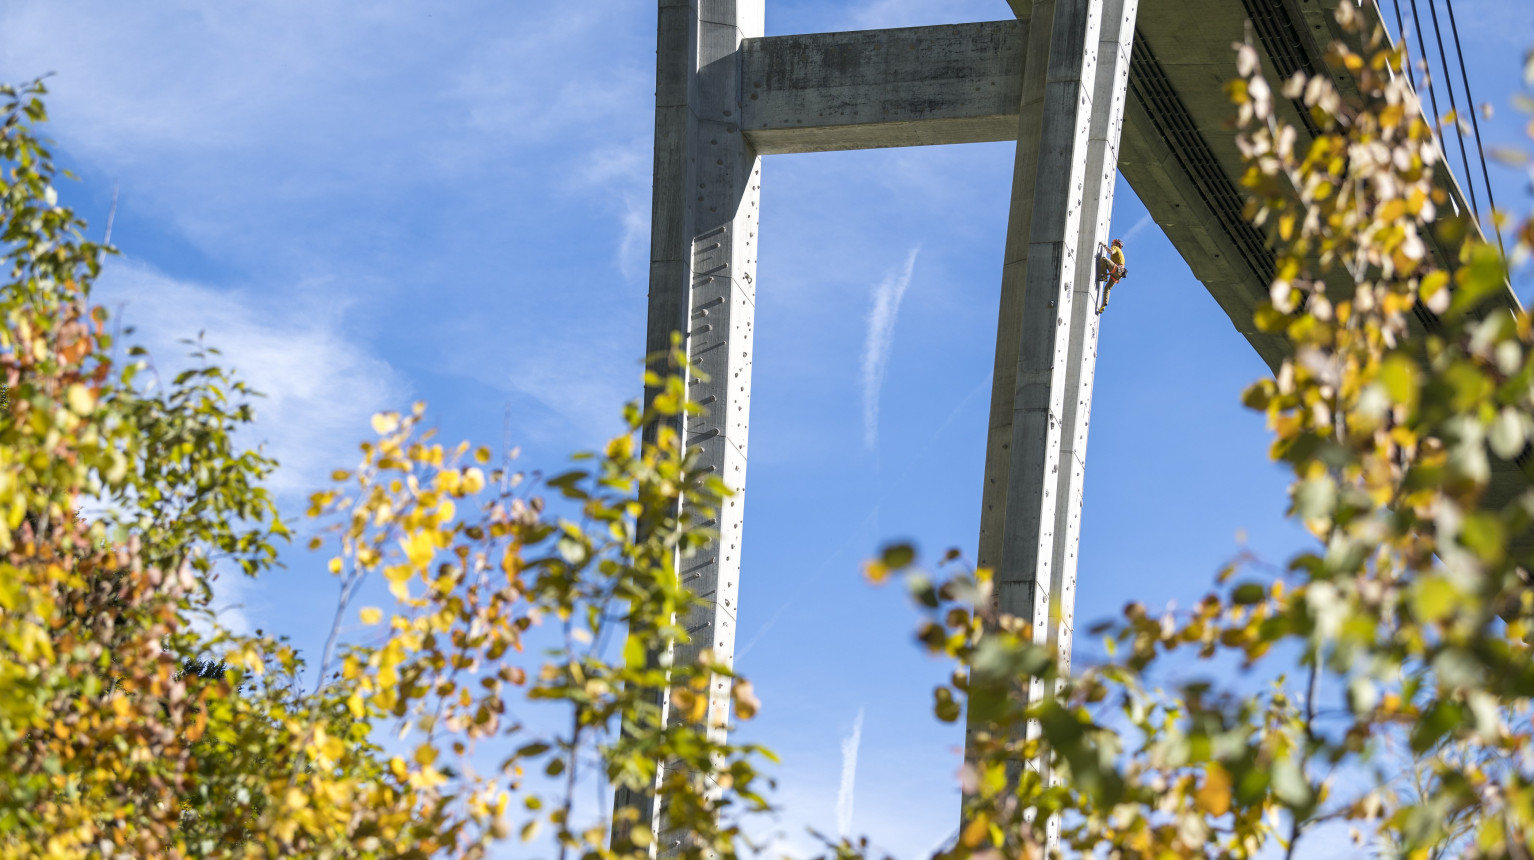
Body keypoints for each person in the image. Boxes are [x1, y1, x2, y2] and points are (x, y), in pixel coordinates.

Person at [1097, 238, 1127, 315]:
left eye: (1113, 243)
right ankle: (1104, 304)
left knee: (1103, 259)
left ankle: (1104, 277)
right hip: (1118, 274)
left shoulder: (1116, 248)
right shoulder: (1121, 255)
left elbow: (1110, 252)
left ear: (1117, 244)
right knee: (1107, 288)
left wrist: (1103, 245)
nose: (1112, 244)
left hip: (1116, 269)